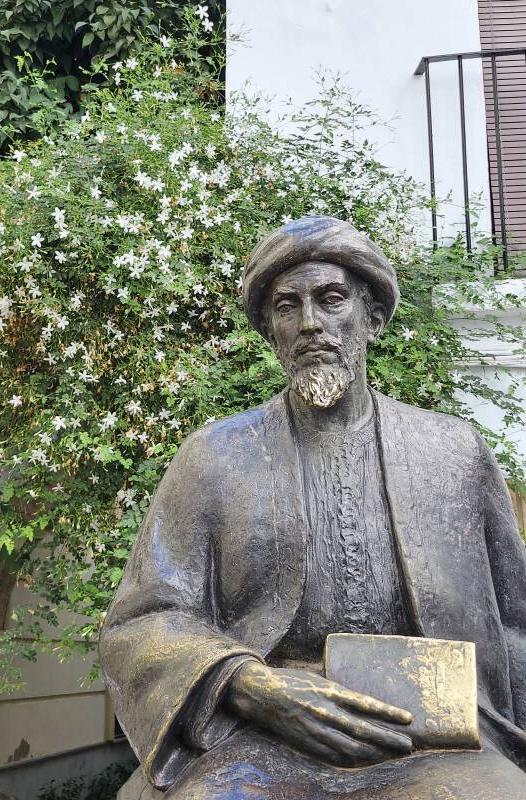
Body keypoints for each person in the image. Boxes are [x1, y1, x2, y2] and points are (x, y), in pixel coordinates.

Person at [100, 216, 526, 799]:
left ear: (371, 319)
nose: (310, 324)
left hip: (431, 742)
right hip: (259, 740)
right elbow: (143, 619)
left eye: (331, 300)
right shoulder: (214, 456)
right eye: (286, 307)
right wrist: (248, 685)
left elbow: (515, 623)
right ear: (271, 333)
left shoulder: (453, 452)